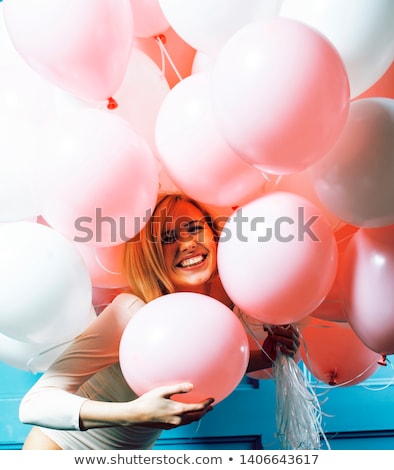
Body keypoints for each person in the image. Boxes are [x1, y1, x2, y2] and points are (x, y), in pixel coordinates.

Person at [20, 192, 300, 450]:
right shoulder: (132, 311)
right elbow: (33, 405)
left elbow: (189, 364)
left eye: (194, 229)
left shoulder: (225, 303)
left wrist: (264, 357)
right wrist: (133, 413)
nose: (188, 243)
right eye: (167, 239)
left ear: (214, 236)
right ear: (152, 255)